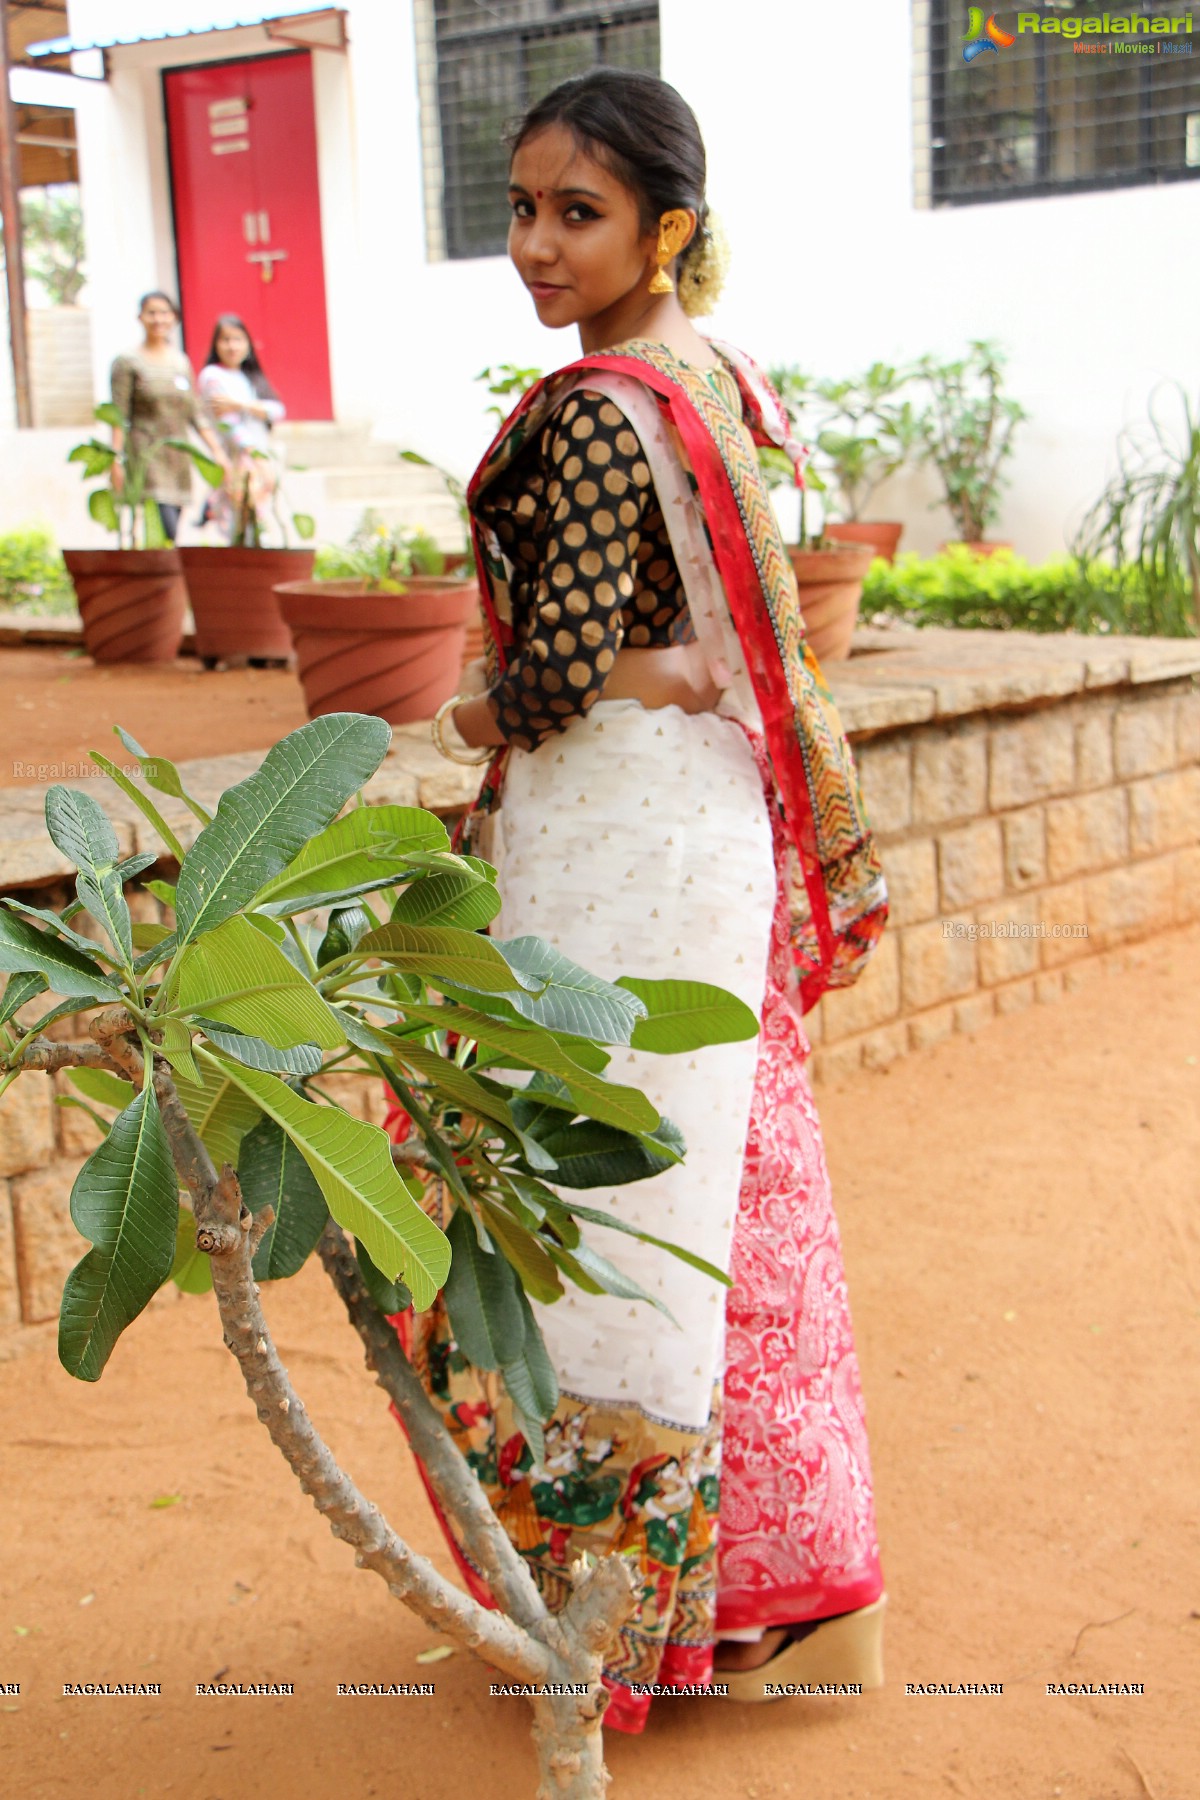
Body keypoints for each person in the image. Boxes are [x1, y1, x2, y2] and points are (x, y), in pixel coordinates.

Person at [412, 69, 889, 1734]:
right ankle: (742, 1604)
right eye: (523, 208)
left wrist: (461, 717)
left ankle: (622, 1624)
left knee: (595, 1208)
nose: (536, 244)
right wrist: (678, 671)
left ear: (665, 227)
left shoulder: (604, 407)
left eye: (578, 213)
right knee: (717, 1196)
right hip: (707, 825)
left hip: (614, 838)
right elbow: (711, 634)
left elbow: (546, 681)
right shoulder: (722, 375)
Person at [108, 292, 226, 543]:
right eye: (151, 312)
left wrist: (216, 451)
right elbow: (118, 414)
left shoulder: (179, 361)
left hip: (177, 454)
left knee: (174, 522)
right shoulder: (128, 361)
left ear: (174, 318)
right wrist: (115, 459)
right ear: (140, 317)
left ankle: (166, 571)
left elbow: (194, 412)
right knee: (163, 523)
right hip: (147, 453)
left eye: (164, 313)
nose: (158, 319)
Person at [197, 314, 286, 542]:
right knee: (238, 525)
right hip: (237, 461)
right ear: (216, 345)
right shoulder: (212, 376)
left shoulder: (251, 378)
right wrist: (256, 458)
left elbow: (277, 411)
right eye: (225, 339)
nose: (232, 346)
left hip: (260, 458)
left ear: (248, 343)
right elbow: (229, 425)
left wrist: (240, 405)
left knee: (260, 526)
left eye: (238, 339)